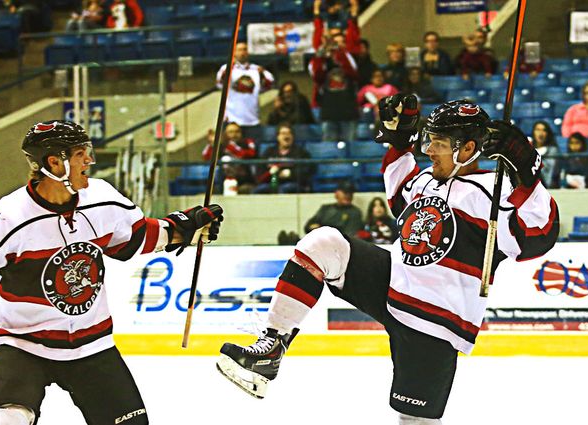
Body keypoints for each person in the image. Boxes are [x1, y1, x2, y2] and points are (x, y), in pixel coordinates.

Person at [217, 95, 559, 424]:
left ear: (467, 149)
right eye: (429, 140)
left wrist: (527, 173)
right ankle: (272, 349)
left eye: (438, 143)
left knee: (415, 420)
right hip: (392, 282)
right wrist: (400, 140)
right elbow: (399, 194)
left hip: (436, 320)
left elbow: (537, 237)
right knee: (324, 243)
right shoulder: (427, 179)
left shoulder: (492, 192)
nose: (428, 150)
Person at [0, 120, 223, 425]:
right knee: (4, 422)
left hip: (92, 345)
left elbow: (137, 236)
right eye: (80, 154)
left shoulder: (102, 198)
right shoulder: (6, 216)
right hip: (21, 344)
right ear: (54, 162)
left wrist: (184, 229)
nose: (89, 160)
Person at [218, 42, 274, 142]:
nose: (242, 52)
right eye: (239, 50)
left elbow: (270, 85)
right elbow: (220, 84)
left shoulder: (257, 69)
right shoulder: (227, 68)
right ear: (234, 53)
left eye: (245, 49)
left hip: (252, 120)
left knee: (253, 153)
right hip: (231, 120)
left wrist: (262, 76)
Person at [254, 124, 313, 194]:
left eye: (289, 133)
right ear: (278, 137)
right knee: (258, 190)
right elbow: (260, 170)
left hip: (293, 183)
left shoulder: (301, 153)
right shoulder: (269, 152)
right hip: (271, 182)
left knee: (284, 189)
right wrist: (270, 173)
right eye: (283, 133)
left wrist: (291, 173)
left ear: (293, 137)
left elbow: (308, 171)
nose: (286, 136)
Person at [202, 122, 258, 193]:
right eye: (230, 132)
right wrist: (213, 144)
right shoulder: (221, 144)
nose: (234, 135)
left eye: (237, 132)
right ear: (225, 134)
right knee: (222, 161)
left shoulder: (248, 142)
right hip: (224, 178)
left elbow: (250, 154)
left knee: (226, 159)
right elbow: (206, 157)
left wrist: (229, 145)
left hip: (245, 175)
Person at [530, 121, 559, 188]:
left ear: (548, 133)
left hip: (546, 186)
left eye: (544, 130)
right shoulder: (528, 149)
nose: (541, 133)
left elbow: (550, 169)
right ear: (533, 132)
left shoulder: (553, 150)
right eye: (538, 130)